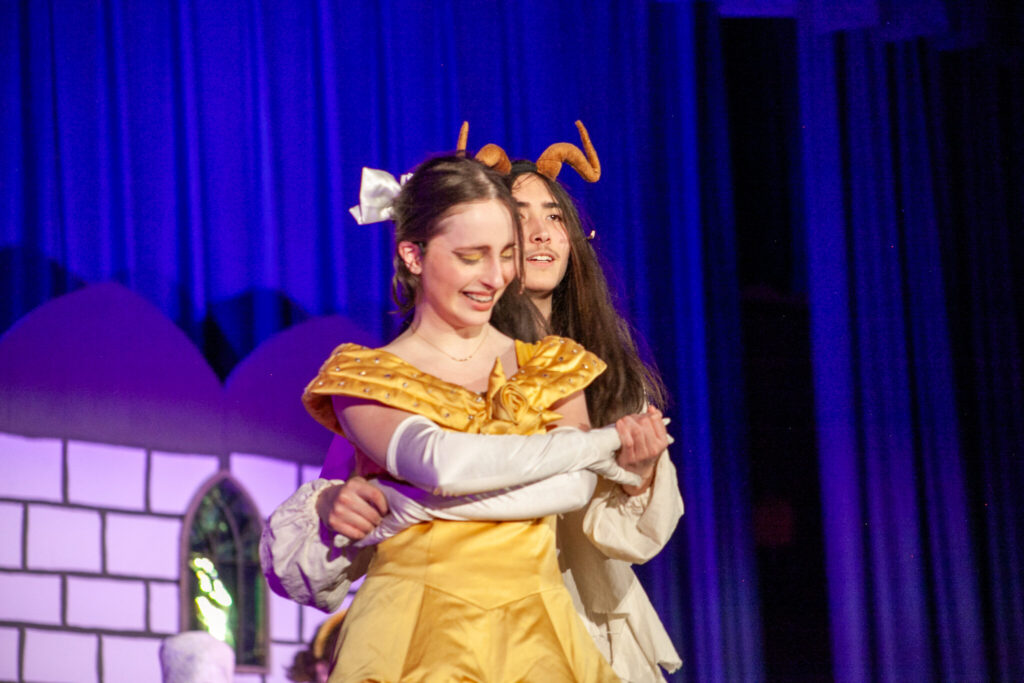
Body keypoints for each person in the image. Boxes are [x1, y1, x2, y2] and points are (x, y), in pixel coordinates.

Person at [262, 126, 684, 681]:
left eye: (507, 252)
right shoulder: (372, 378)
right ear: (414, 255)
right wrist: (341, 506)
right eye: (474, 254)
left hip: (551, 624)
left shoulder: (560, 365)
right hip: (413, 634)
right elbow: (424, 471)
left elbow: (585, 499)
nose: (498, 272)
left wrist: (406, 504)